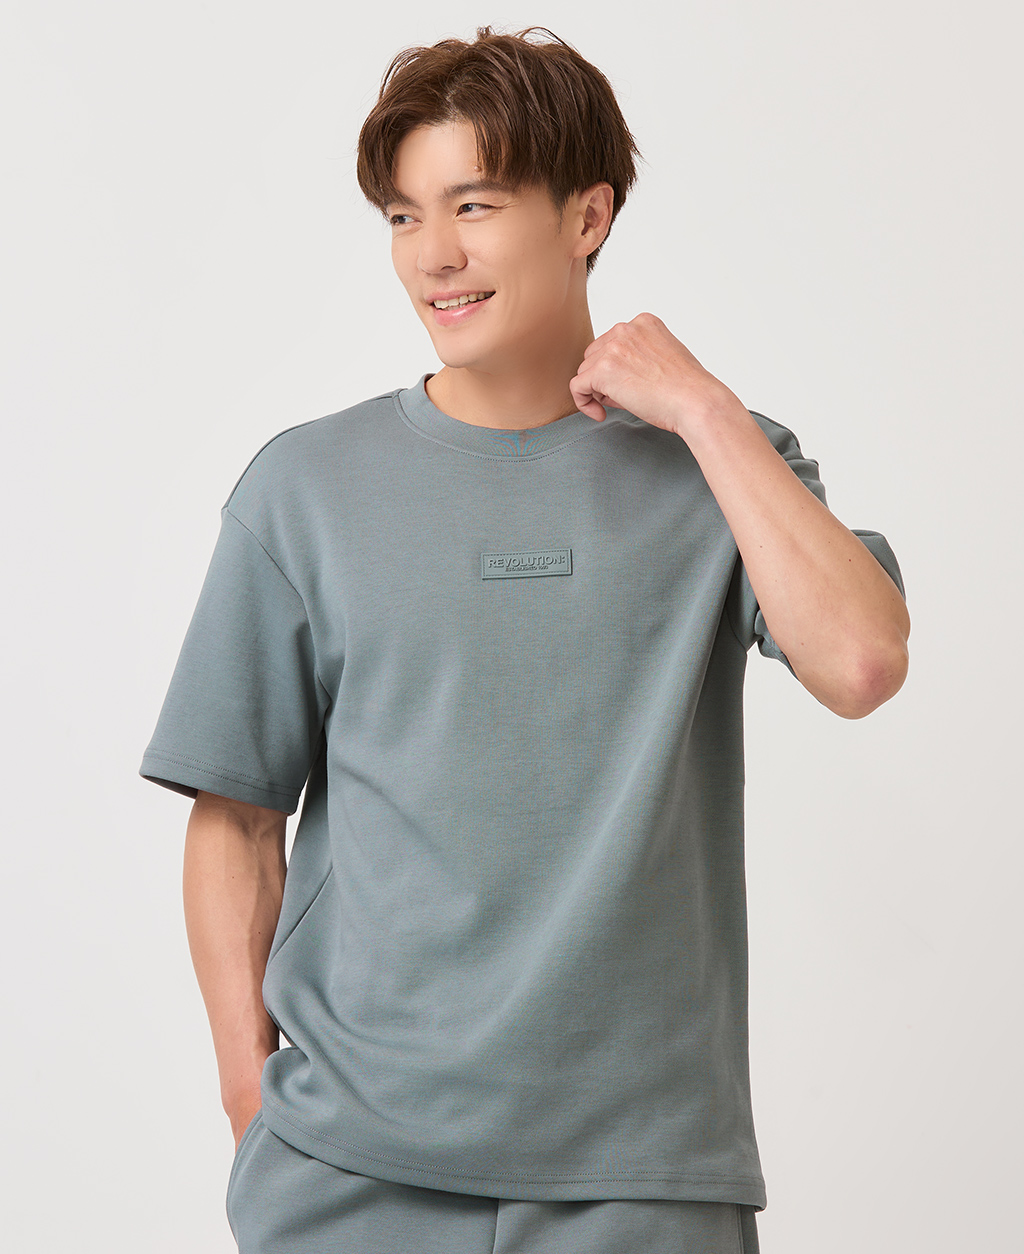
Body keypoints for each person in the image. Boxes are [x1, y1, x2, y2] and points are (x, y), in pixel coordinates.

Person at [139, 24, 909, 1254]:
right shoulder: (305, 492)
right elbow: (233, 816)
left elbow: (862, 662)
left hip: (646, 1180)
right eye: (403, 216)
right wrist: (252, 1110)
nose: (432, 255)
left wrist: (702, 409)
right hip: (350, 1174)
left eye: (474, 205)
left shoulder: (723, 467)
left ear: (587, 216)